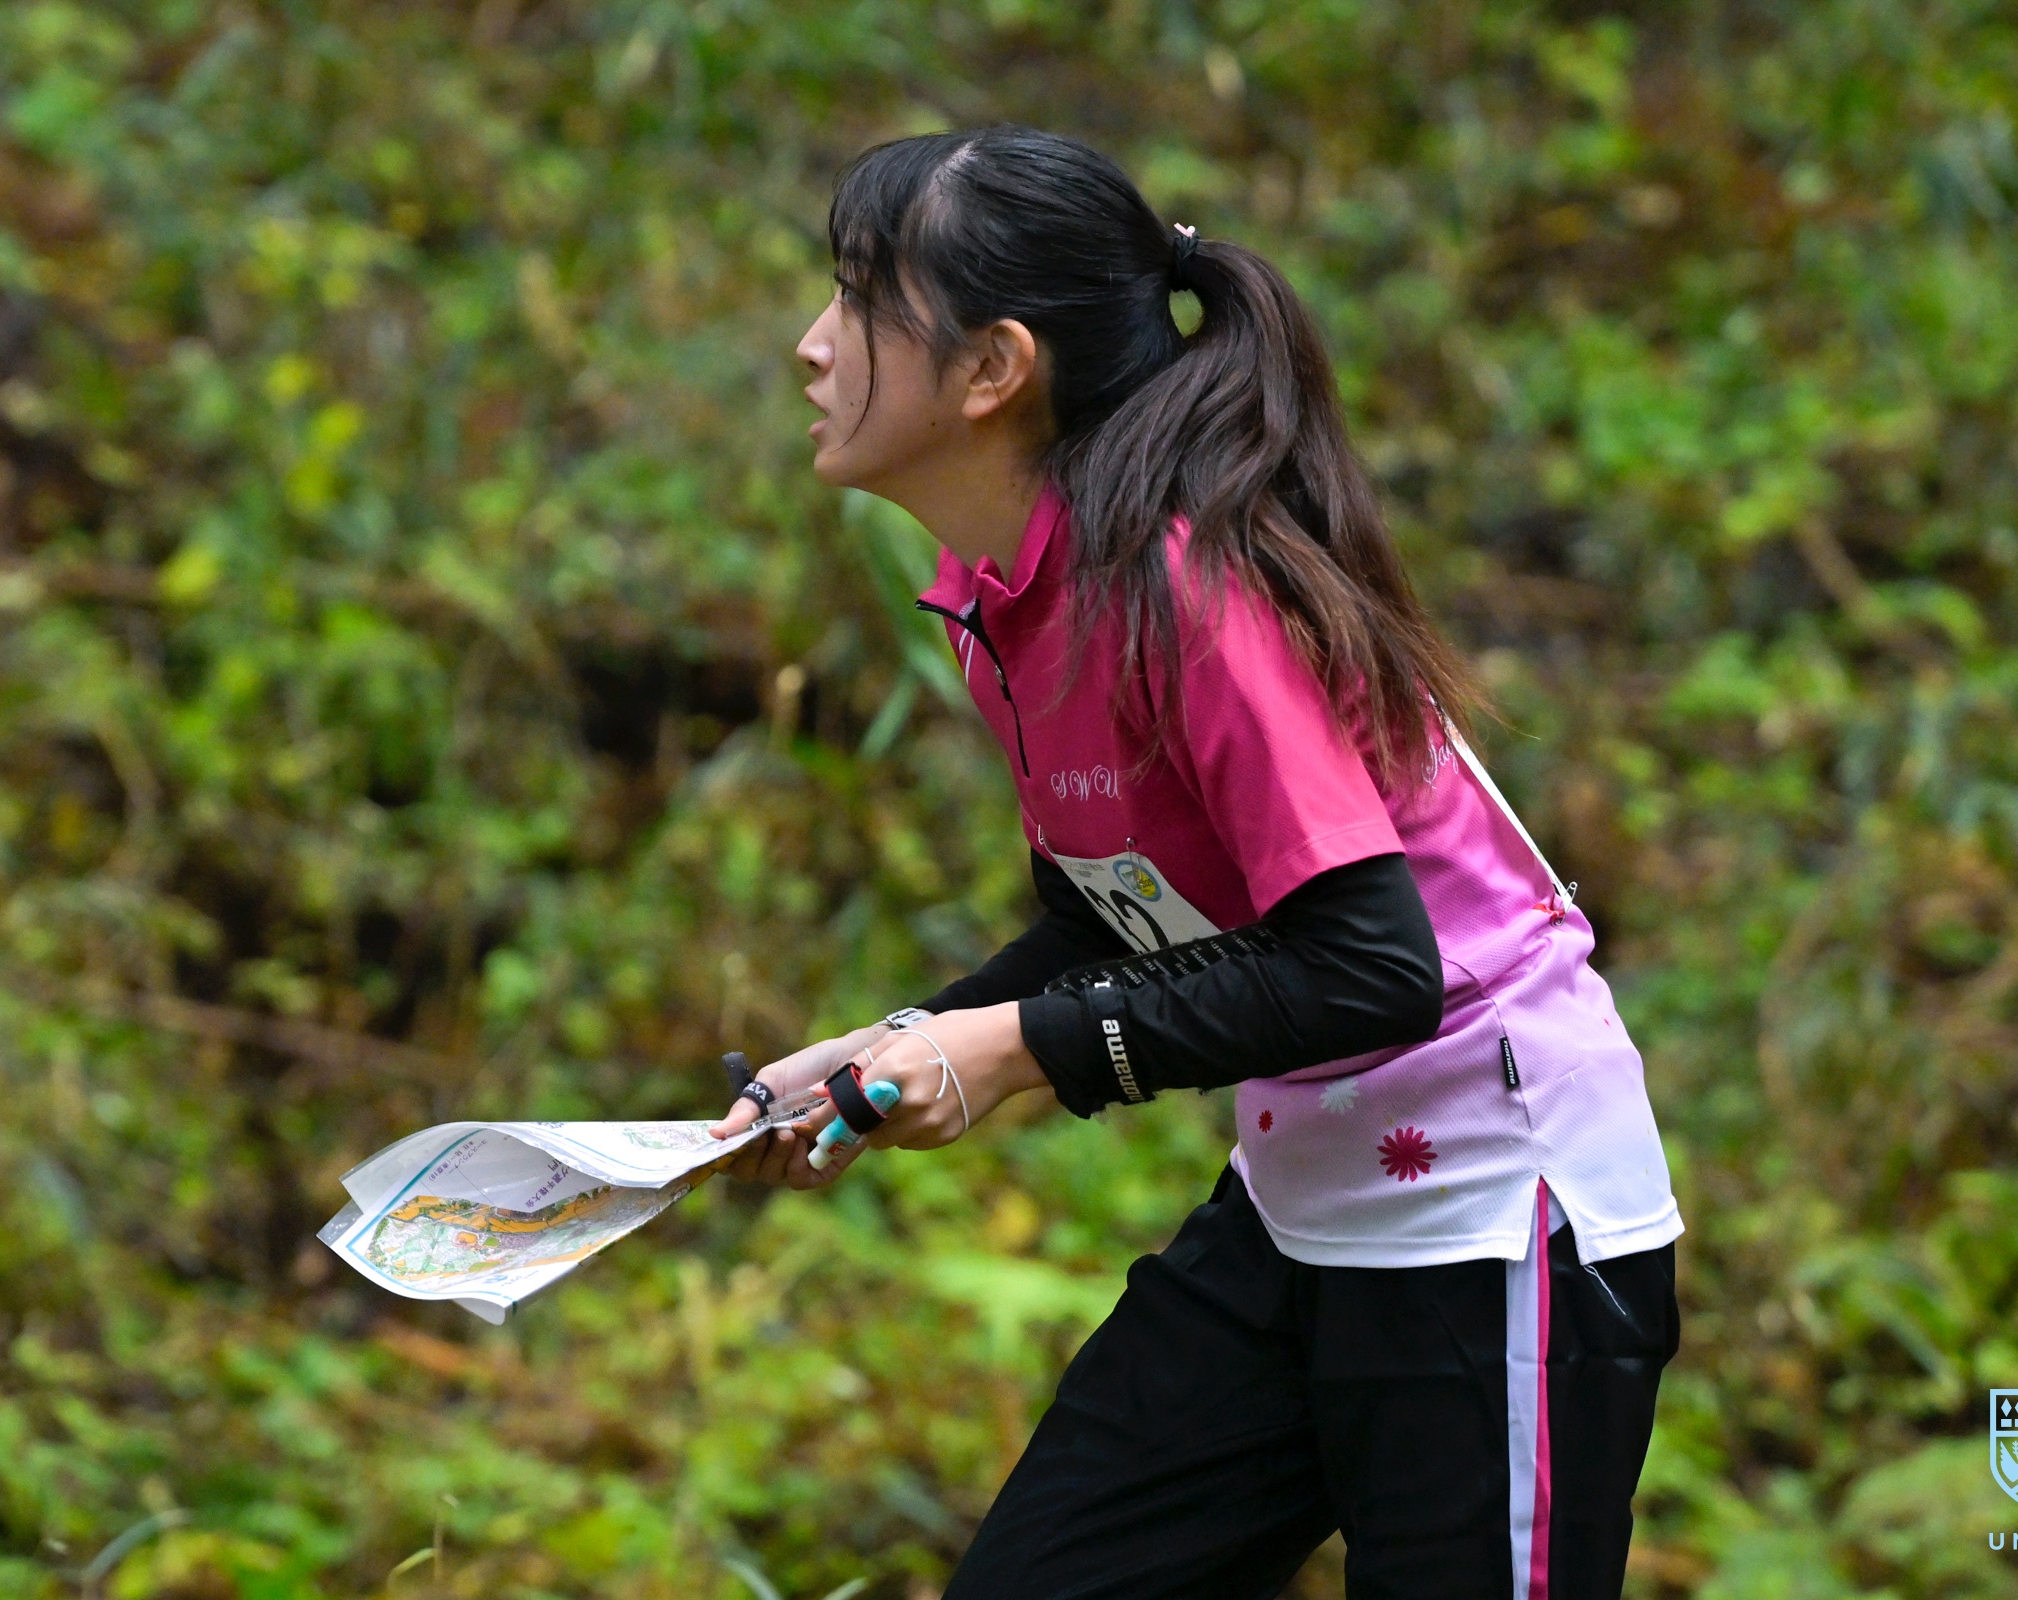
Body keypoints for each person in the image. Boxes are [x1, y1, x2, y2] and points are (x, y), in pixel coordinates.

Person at [711, 125, 1682, 1600]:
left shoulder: (1186, 588)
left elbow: (1373, 966)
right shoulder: (1005, 599)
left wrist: (1012, 1053)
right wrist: (901, 1044)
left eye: (858, 300)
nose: (811, 343)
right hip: (1303, 1202)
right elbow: (1124, 921)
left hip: (1500, 1215)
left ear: (993, 369)